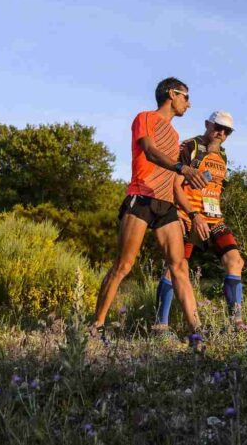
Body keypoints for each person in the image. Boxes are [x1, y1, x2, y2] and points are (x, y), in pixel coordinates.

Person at [91, 77, 208, 350]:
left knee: (180, 267)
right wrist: (182, 168)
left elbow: (175, 178)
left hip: (166, 204)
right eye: (186, 97)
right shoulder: (145, 118)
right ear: (171, 94)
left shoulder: (176, 136)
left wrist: (191, 211)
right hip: (142, 197)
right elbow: (150, 151)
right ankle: (95, 327)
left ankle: (197, 335)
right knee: (124, 266)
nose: (189, 105)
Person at [154, 111, 247, 334]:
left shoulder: (222, 156)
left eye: (227, 131)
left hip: (214, 218)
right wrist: (193, 214)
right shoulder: (190, 147)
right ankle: (160, 325)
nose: (221, 133)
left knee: (235, 261)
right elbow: (175, 186)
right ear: (207, 124)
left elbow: (215, 189)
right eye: (217, 127)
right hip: (186, 215)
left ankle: (236, 323)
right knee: (176, 266)